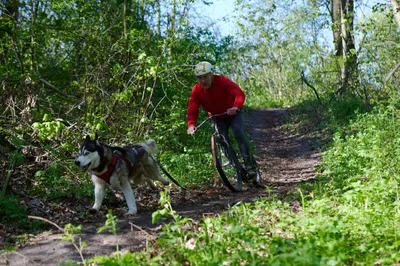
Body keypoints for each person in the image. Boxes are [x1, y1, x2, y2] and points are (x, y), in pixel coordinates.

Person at [186, 61, 257, 180]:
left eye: (205, 77)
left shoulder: (222, 81)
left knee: (238, 133)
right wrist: (191, 125)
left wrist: (235, 107)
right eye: (200, 78)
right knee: (224, 142)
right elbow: (192, 108)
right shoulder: (197, 90)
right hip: (218, 117)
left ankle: (249, 164)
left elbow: (239, 94)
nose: (203, 81)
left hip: (233, 113)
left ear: (212, 75)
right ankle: (238, 169)